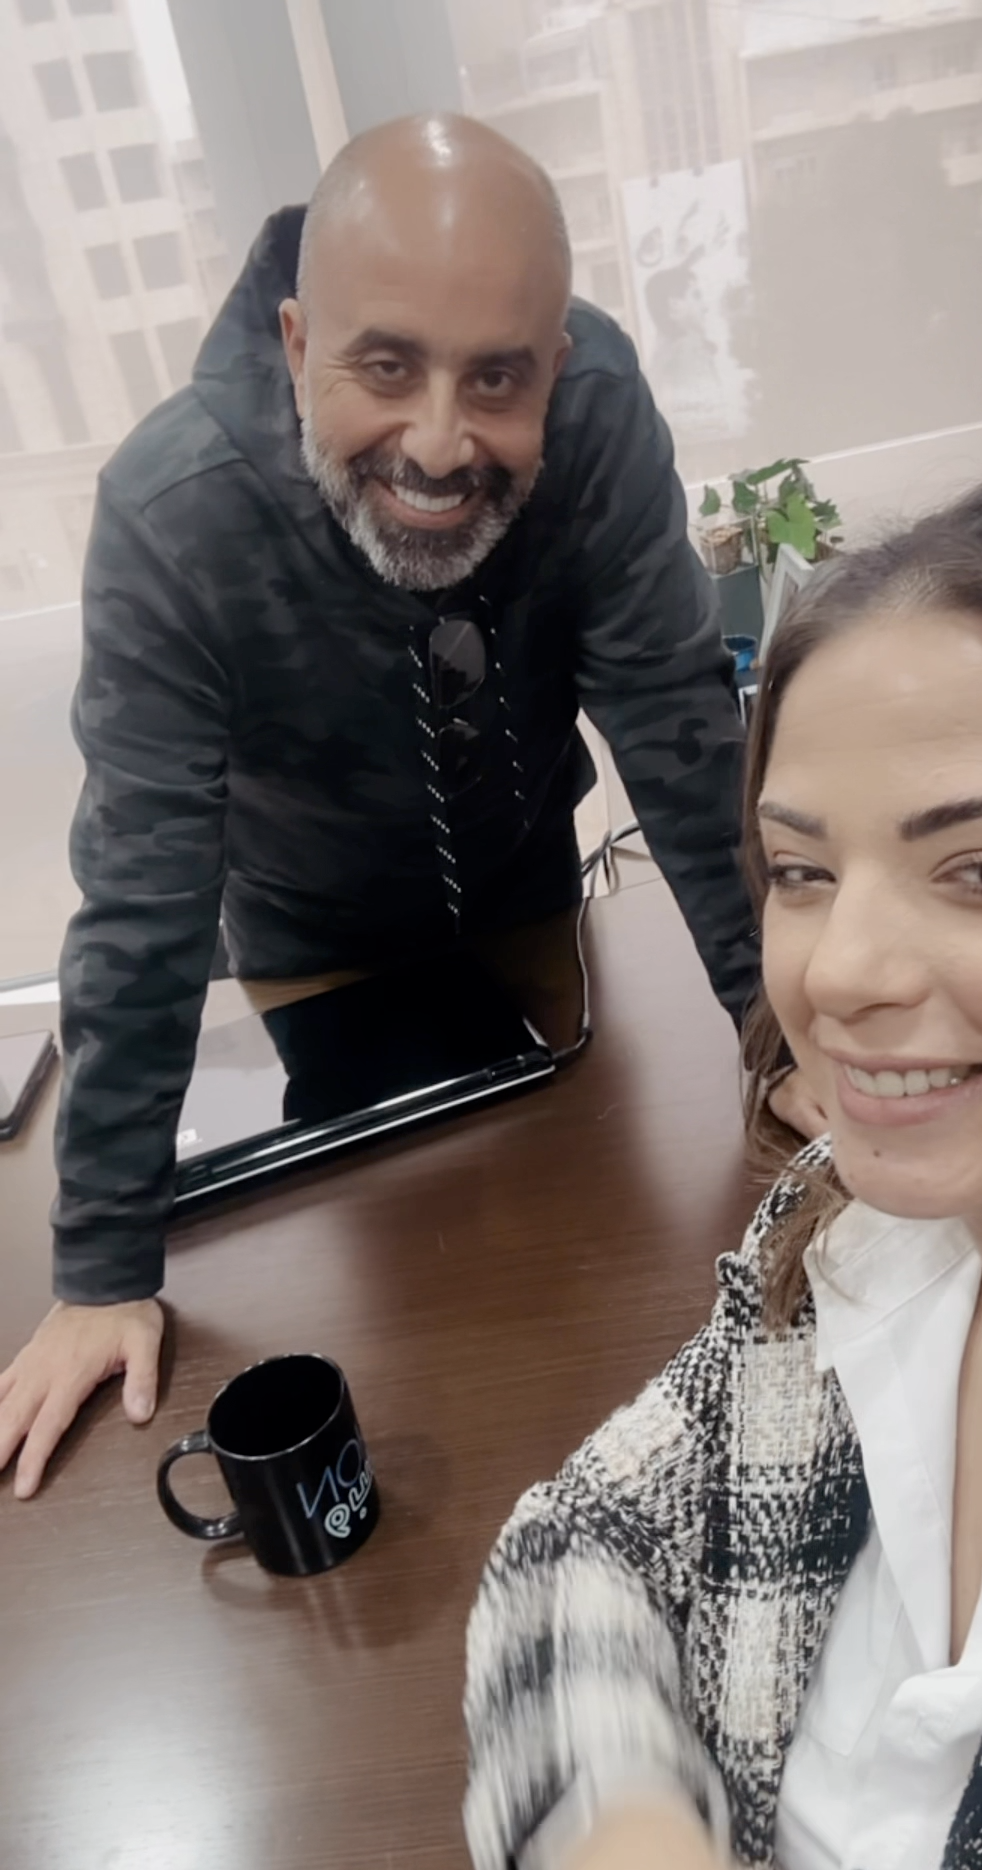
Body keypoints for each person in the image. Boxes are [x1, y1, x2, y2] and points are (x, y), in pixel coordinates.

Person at [0, 113, 820, 1500]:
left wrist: (790, 1044)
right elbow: (144, 883)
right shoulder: (170, 511)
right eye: (384, 367)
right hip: (303, 943)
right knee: (401, 1316)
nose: (440, 445)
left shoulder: (600, 420)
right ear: (294, 334)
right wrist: (100, 1267)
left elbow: (683, 738)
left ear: (554, 365)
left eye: (497, 379)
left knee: (592, 1290)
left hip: (528, 903)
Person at [463, 474, 982, 1870]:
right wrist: (626, 1851)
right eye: (801, 868)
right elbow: (577, 1548)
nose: (835, 970)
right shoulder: (848, 1247)